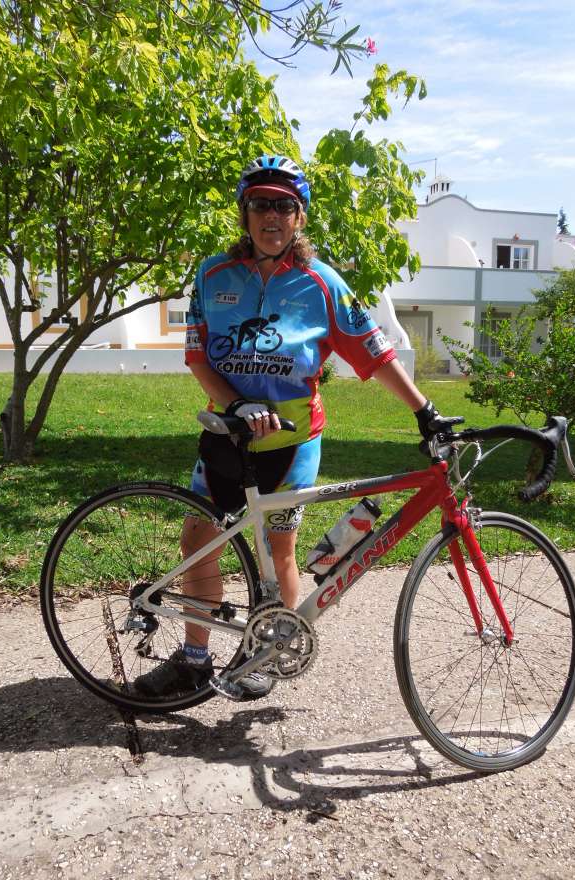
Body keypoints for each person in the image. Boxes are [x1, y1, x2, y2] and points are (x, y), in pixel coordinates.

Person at [135, 155, 440, 700]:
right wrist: (235, 404)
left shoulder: (322, 284)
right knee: (198, 541)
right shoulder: (211, 275)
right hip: (228, 434)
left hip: (293, 440)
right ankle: (195, 659)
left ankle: (265, 654)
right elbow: (199, 356)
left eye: (283, 205)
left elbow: (374, 352)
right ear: (244, 214)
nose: (270, 215)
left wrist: (424, 410)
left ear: (299, 217)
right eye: (260, 204)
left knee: (279, 549)